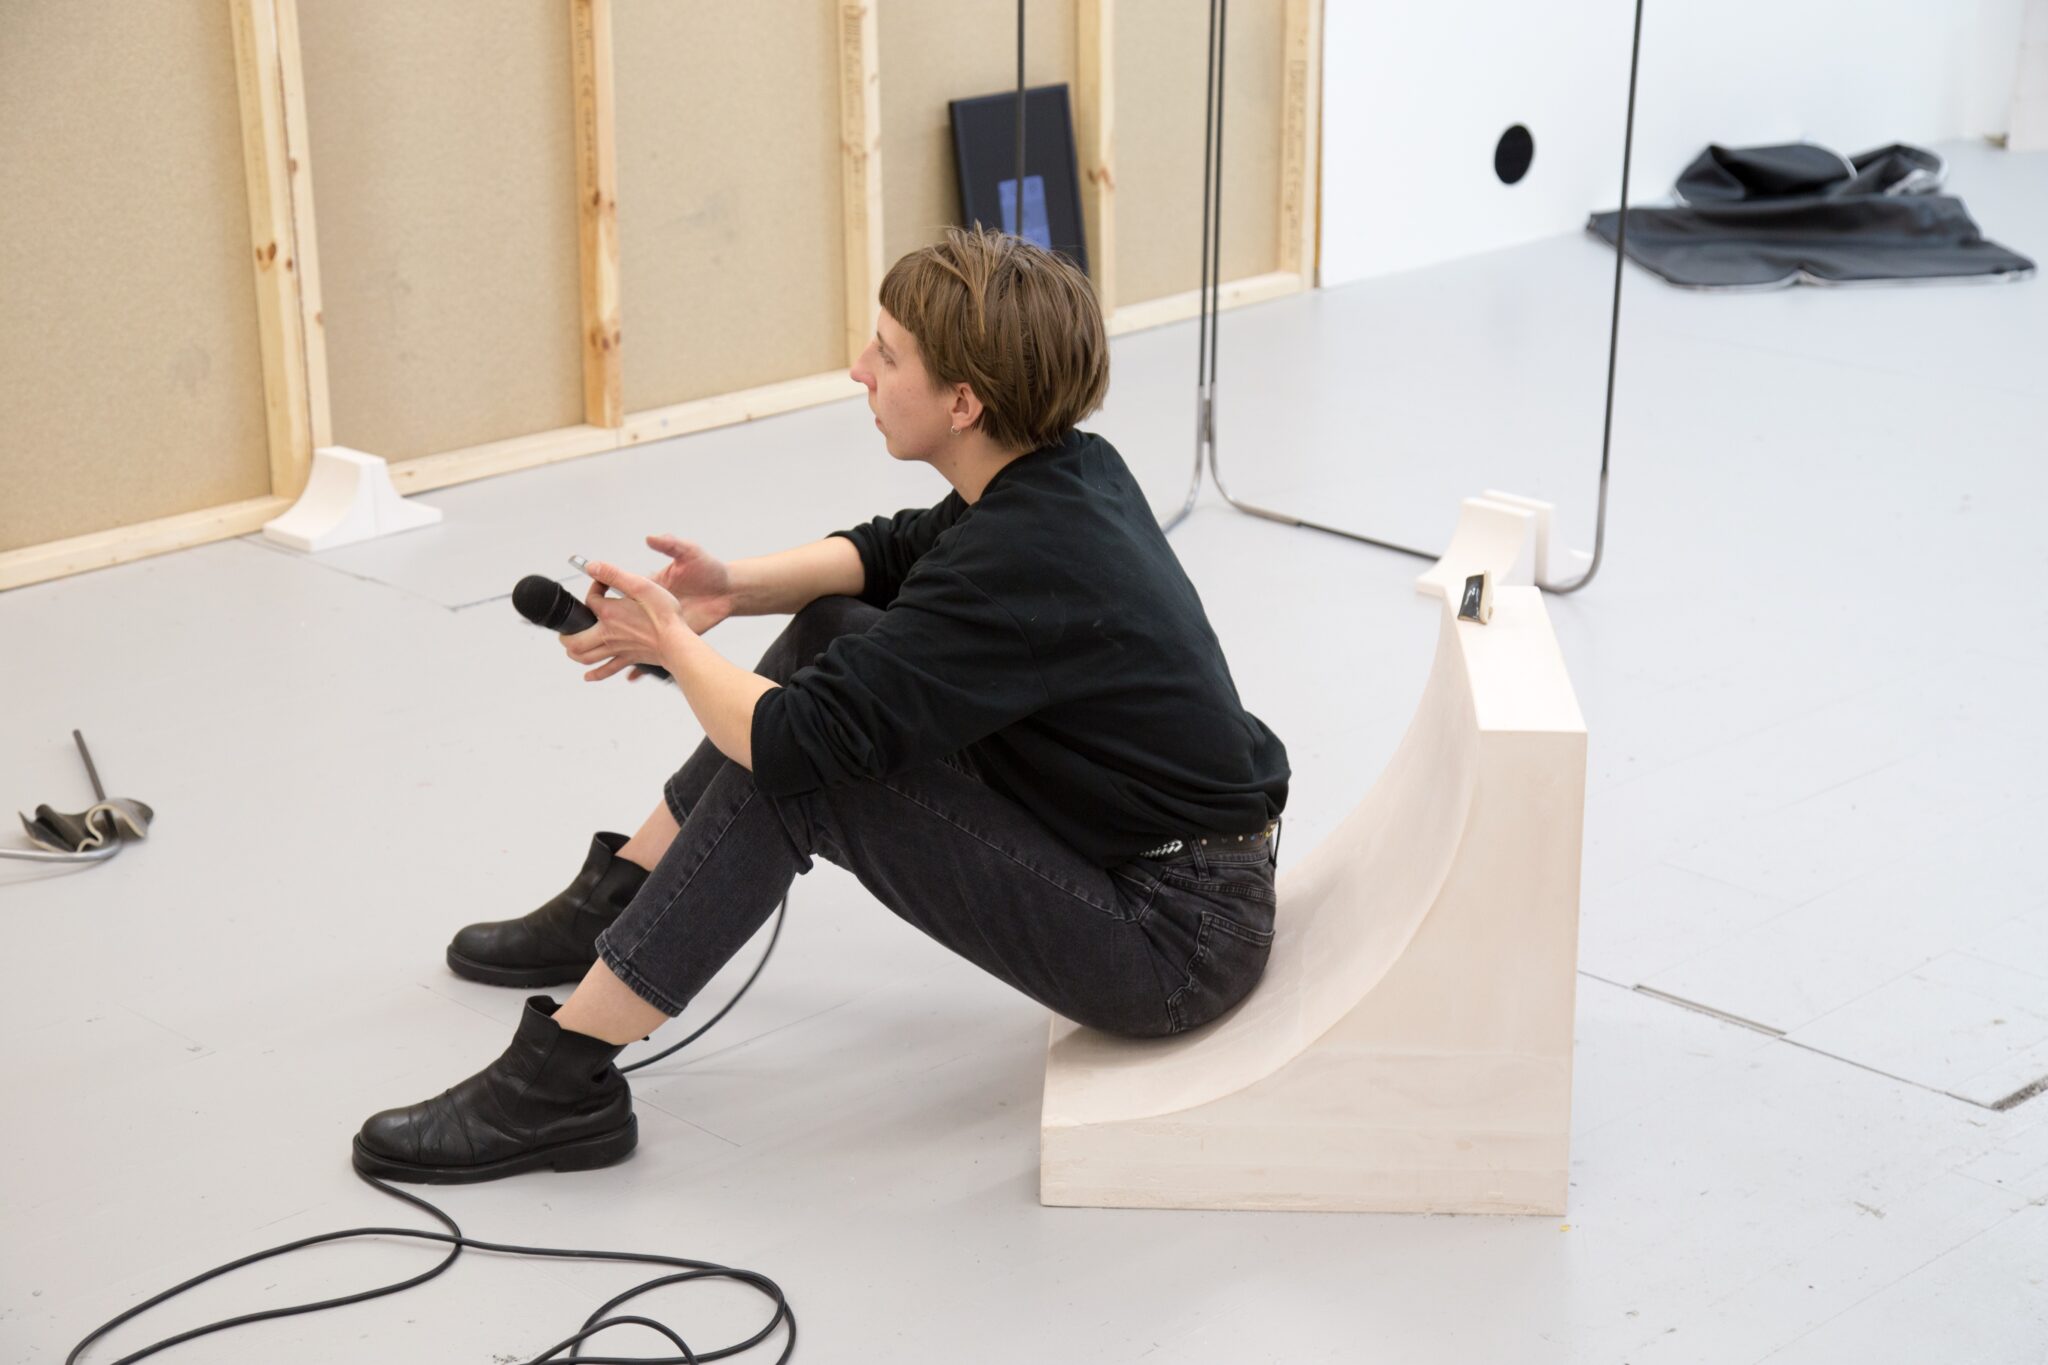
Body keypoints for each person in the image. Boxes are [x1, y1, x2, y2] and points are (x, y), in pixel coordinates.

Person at [353, 228, 1291, 1184]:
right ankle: (620, 900)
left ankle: (554, 1089)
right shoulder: (1063, 472)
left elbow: (791, 741)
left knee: (802, 778)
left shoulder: (1027, 556)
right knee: (833, 631)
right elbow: (894, 554)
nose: (859, 370)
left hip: (1172, 941)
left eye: (886, 356)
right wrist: (728, 588)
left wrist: (668, 641)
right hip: (1153, 856)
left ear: (963, 401)